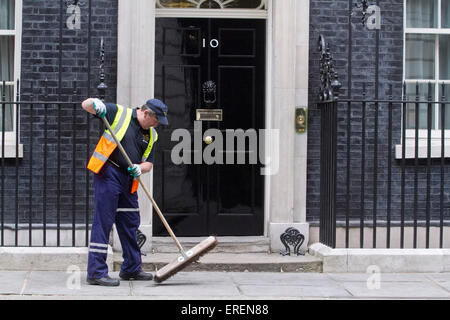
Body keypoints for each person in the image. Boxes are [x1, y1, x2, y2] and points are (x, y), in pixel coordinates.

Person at [81, 97, 168, 286]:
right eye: (156, 120)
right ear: (146, 113)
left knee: (130, 222)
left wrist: (140, 168)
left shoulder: (151, 135)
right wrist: (96, 103)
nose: (157, 124)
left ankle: (131, 268)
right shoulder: (118, 113)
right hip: (108, 173)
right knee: (104, 221)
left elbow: (149, 163)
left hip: (128, 179)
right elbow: (86, 105)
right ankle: (96, 272)